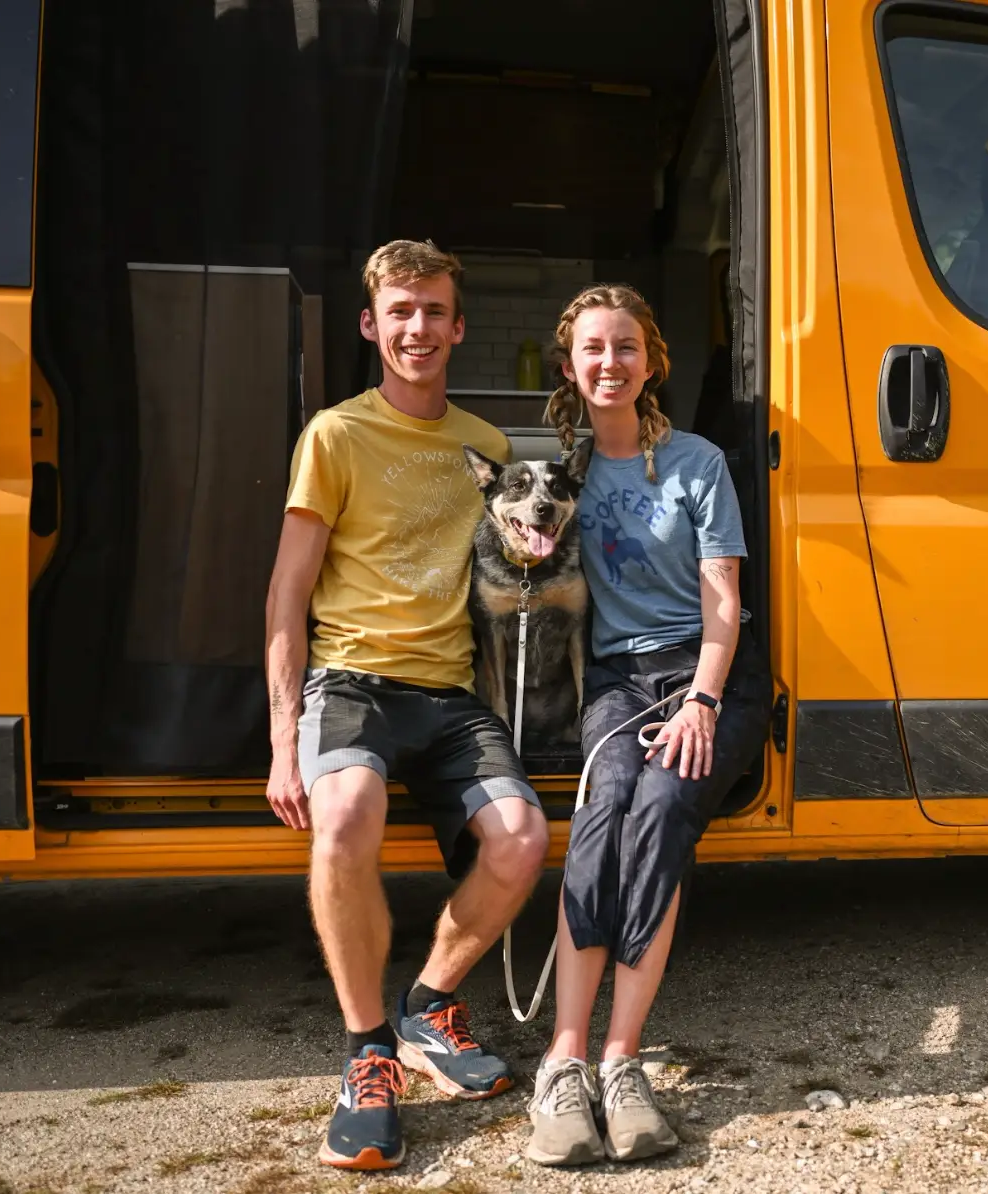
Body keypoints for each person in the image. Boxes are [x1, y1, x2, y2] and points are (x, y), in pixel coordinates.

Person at [264, 240, 550, 1171]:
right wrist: (282, 741)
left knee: (521, 840)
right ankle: (366, 1057)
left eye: (434, 312)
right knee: (344, 816)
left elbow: (510, 576)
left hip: (451, 691)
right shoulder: (336, 436)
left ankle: (429, 1007)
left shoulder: (490, 450)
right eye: (401, 312)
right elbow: (287, 595)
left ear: (458, 327)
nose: (418, 328)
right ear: (371, 324)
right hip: (350, 684)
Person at [526, 285, 771, 1166]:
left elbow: (724, 608)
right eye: (593, 348)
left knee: (663, 804)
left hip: (709, 674)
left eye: (626, 346)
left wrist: (704, 701)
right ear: (570, 367)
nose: (609, 362)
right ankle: (563, 1063)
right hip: (621, 682)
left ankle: (623, 1061)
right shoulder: (564, 477)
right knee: (606, 811)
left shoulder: (699, 463)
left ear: (651, 362)